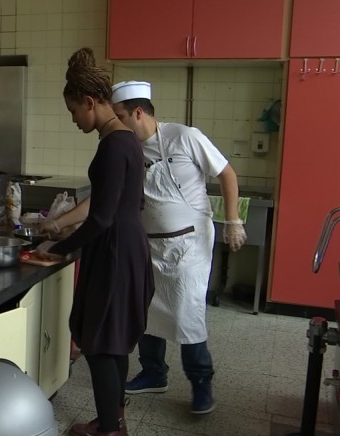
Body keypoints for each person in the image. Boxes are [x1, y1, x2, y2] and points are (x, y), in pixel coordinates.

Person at [35, 48, 154, 436]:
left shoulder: (113, 145)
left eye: (73, 112)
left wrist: (56, 248)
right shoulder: (124, 140)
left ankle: (108, 430)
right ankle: (112, 421)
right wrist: (64, 226)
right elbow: (112, 204)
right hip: (126, 246)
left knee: (102, 343)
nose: (73, 120)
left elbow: (102, 217)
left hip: (115, 252)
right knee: (114, 341)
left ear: (90, 102)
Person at [111, 81, 246, 414]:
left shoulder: (185, 136)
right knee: (147, 310)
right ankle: (154, 373)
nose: (115, 124)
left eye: (119, 116)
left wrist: (233, 220)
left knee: (186, 315)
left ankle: (202, 384)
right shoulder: (129, 147)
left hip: (188, 246)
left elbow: (226, 173)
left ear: (138, 112)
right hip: (149, 245)